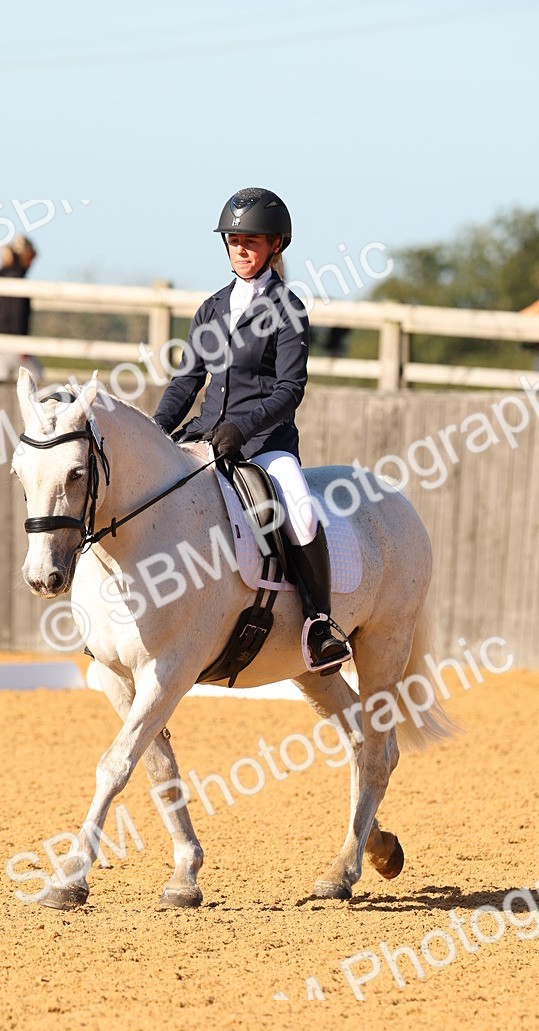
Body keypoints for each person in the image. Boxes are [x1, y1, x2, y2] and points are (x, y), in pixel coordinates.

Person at [153, 187, 351, 672]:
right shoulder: (211, 308)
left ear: (275, 246)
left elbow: (289, 389)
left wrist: (243, 427)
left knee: (301, 513)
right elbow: (186, 382)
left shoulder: (288, 309)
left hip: (264, 446)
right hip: (203, 438)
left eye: (252, 241)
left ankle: (319, 624)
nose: (241, 249)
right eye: (234, 240)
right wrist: (156, 429)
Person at [0, 235, 43, 382]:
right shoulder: (19, 280)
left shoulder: (3, 275)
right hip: (13, 342)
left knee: (0, 383)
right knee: (37, 377)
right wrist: (23, 346)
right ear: (25, 256)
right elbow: (17, 314)